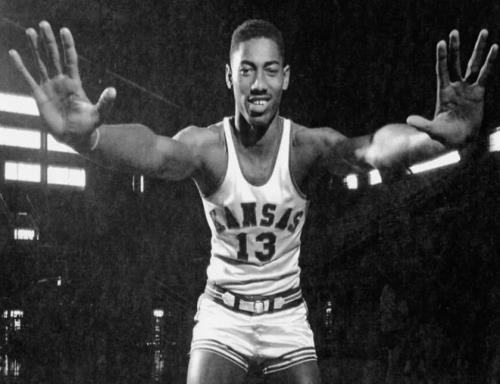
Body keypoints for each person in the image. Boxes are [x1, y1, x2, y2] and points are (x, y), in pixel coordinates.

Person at [8, 19, 497, 383]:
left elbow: (370, 149)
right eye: (247, 70)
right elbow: (154, 152)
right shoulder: (208, 147)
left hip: (286, 316)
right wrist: (89, 140)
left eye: (269, 70)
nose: (258, 84)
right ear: (229, 77)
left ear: (286, 77)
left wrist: (435, 141)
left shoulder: (305, 146)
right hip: (224, 315)